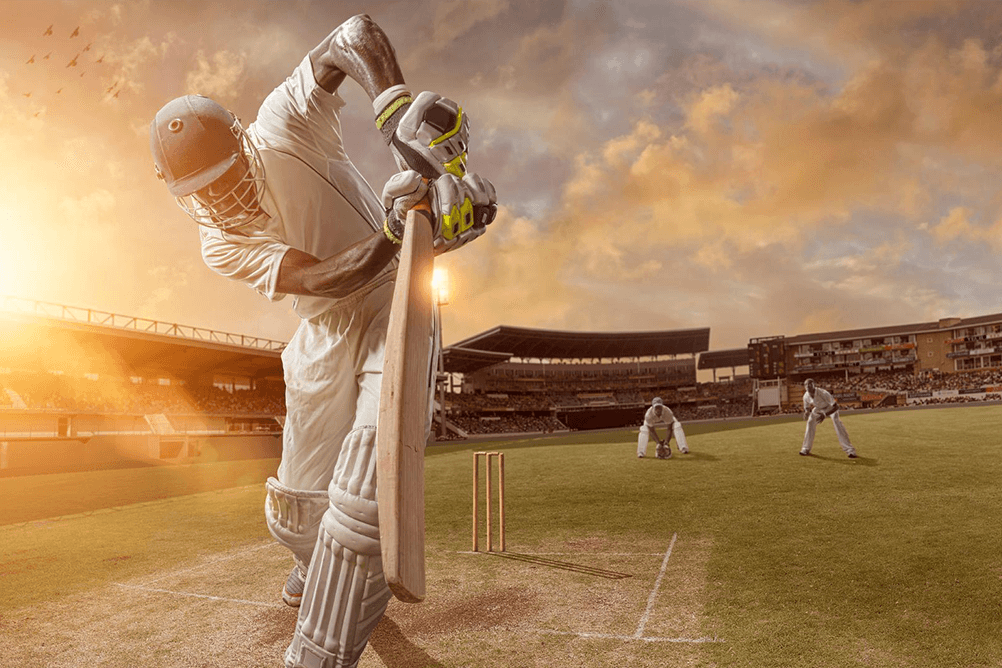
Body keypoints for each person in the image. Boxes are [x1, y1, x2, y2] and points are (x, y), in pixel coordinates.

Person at [149, 15, 496, 668]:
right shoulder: (216, 241)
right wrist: (396, 230)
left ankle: (318, 652)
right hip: (323, 326)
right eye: (205, 192)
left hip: (397, 301)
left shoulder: (282, 122)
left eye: (226, 174)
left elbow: (353, 35)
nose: (224, 196)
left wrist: (392, 114)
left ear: (241, 141)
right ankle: (313, 566)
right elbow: (314, 276)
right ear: (181, 196)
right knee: (293, 511)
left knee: (365, 492)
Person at [800, 378, 857, 458]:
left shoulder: (823, 393)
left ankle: (850, 450)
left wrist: (825, 414)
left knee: (837, 423)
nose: (809, 389)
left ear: (814, 386)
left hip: (829, 407)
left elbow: (836, 406)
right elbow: (806, 406)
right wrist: (806, 411)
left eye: (810, 386)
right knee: (810, 422)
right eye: (807, 387)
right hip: (818, 408)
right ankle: (805, 448)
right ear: (805, 387)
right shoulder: (806, 396)